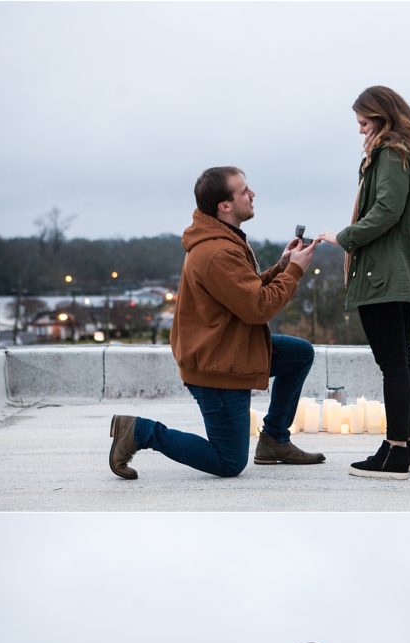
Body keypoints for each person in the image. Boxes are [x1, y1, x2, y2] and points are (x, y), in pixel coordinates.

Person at [109, 166, 325, 481]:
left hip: (229, 346)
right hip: (217, 366)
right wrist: (295, 272)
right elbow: (257, 308)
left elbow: (244, 292)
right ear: (224, 205)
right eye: (244, 191)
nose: (252, 195)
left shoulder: (224, 239)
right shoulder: (217, 252)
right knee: (228, 462)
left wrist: (281, 267)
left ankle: (275, 440)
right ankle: (140, 431)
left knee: (299, 354)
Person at [318, 86, 410, 480]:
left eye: (363, 123)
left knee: (393, 363)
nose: (360, 132)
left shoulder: (392, 153)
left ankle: (393, 453)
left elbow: (387, 209)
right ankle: (408, 448)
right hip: (400, 269)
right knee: (402, 361)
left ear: (382, 117)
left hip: (383, 272)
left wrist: (346, 237)